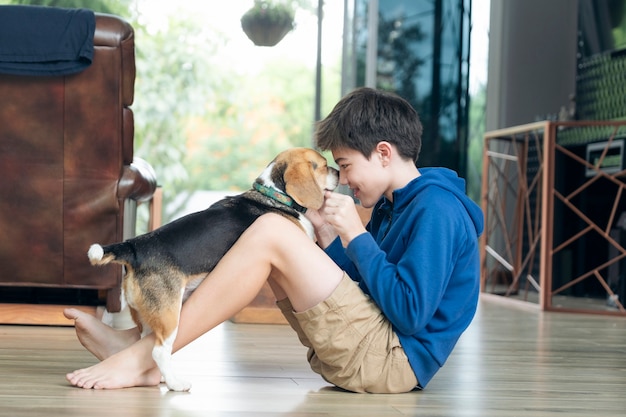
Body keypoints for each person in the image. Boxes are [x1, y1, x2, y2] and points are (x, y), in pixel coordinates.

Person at [64, 87, 484, 394]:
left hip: (392, 361)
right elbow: (357, 279)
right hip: (374, 342)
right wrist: (325, 237)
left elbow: (409, 312)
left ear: (385, 153)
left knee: (270, 229)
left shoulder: (437, 211)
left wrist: (356, 232)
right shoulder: (397, 204)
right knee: (277, 229)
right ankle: (145, 344)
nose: (344, 182)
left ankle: (145, 361)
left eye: (346, 165)